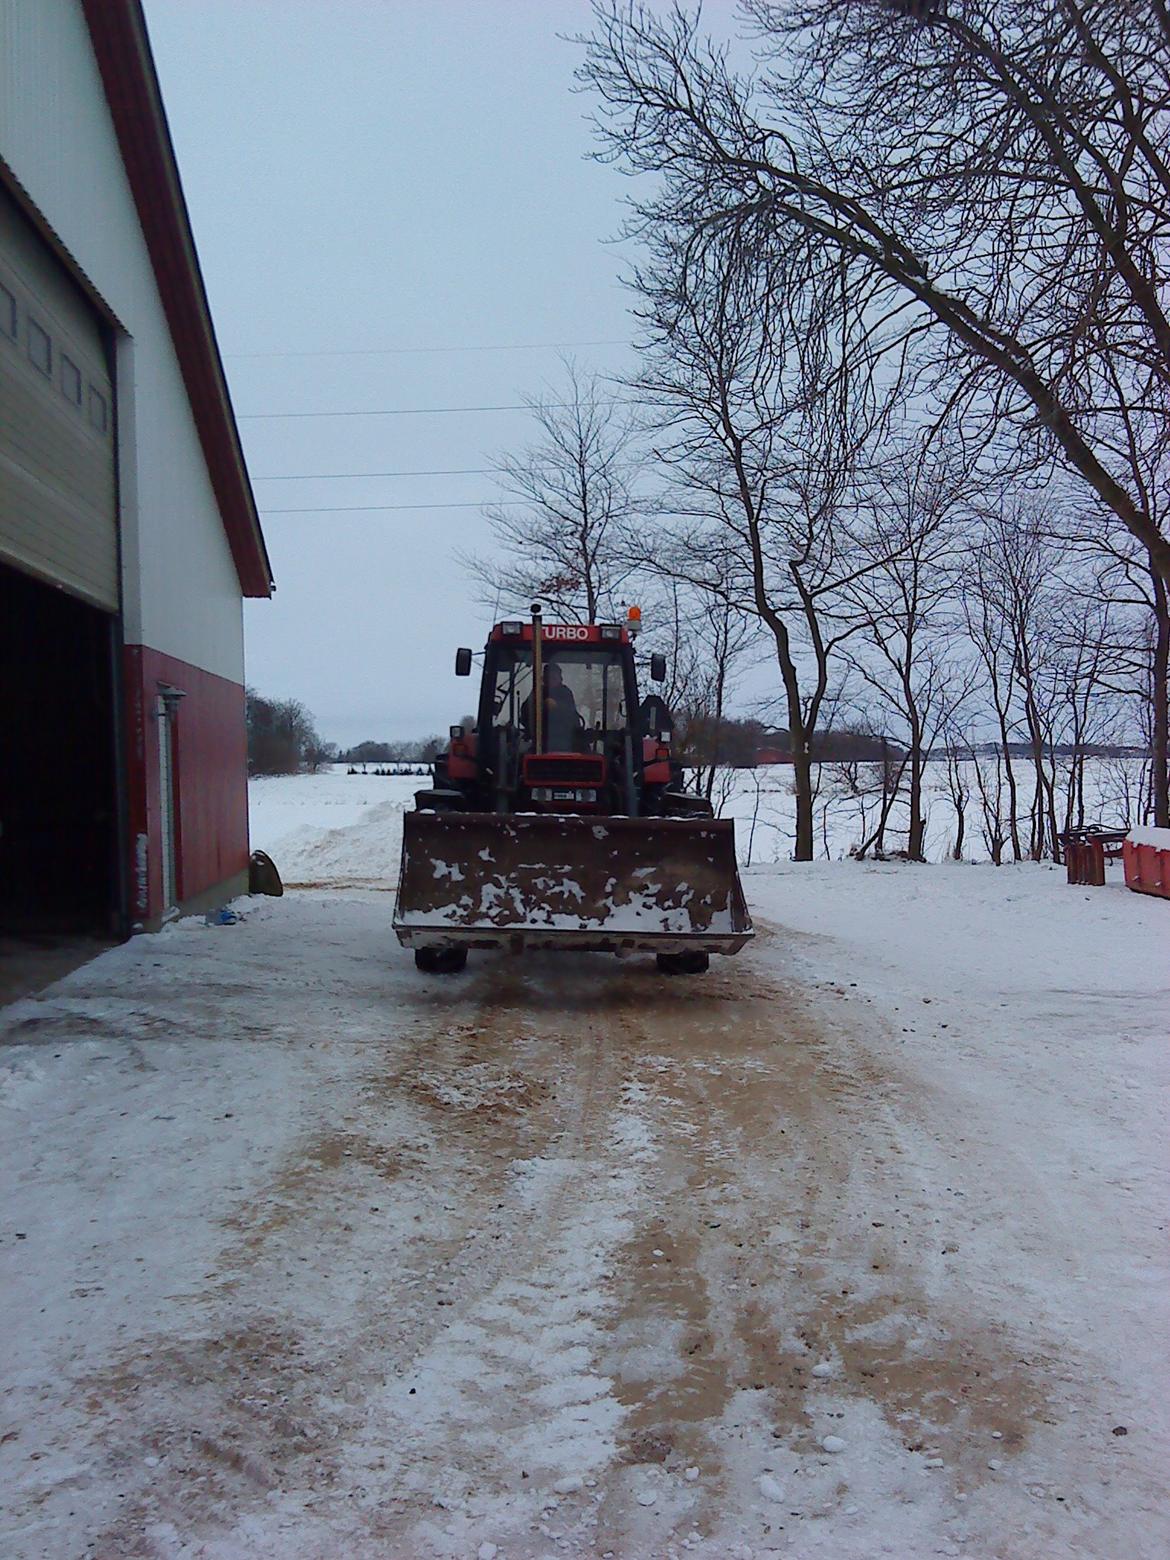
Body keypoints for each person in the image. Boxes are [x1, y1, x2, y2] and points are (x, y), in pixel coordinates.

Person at [521, 660, 579, 750]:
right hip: (541, 741)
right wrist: (537, 705)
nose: (551, 680)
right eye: (548, 677)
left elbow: (572, 715)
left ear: (560, 679)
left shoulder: (565, 692)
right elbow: (525, 713)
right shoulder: (537, 692)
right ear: (544, 679)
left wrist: (557, 706)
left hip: (565, 741)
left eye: (554, 677)